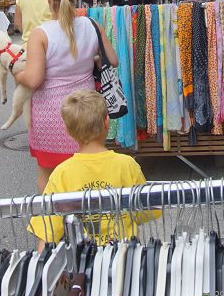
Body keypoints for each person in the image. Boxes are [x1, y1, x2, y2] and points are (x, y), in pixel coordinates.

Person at [15, 0, 117, 192]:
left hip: (51, 114)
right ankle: (87, 217)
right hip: (86, 110)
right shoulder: (92, 25)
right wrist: (90, 60)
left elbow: (33, 78)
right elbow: (113, 60)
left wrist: (16, 73)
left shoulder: (40, 34)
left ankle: (53, 222)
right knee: (87, 172)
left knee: (48, 174)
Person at [28, 90, 154, 246]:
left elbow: (48, 232)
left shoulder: (62, 173)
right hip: (125, 256)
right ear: (107, 122)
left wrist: (41, 267)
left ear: (68, 131)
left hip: (83, 260)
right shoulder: (127, 165)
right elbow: (146, 212)